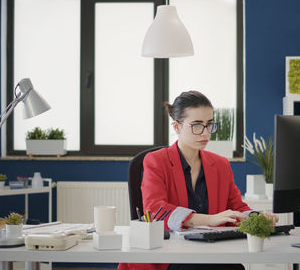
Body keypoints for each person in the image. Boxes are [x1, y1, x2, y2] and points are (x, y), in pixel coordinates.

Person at [119, 91, 278, 270]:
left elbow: (236, 208)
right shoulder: (156, 160)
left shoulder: (220, 164)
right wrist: (208, 220)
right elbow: (155, 210)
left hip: (212, 251)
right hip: (169, 254)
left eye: (209, 125)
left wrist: (256, 218)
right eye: (196, 125)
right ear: (177, 127)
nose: (205, 133)